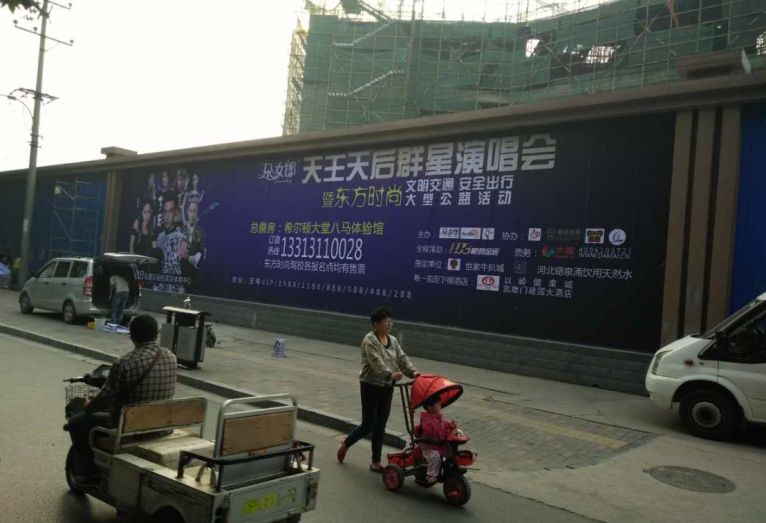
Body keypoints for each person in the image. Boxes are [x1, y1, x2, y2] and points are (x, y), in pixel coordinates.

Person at [67, 314, 177, 485]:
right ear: (156, 333)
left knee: (77, 422)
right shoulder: (171, 357)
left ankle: (89, 472)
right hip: (162, 426)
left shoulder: (125, 363)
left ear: (132, 336)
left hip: (130, 427)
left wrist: (88, 406)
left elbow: (103, 399)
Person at [337, 306, 420, 472]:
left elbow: (402, 358)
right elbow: (376, 362)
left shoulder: (393, 340)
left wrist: (413, 372)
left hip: (387, 388)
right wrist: (390, 374)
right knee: (369, 424)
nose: (389, 323)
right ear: (376, 324)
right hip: (370, 386)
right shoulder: (370, 340)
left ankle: (375, 462)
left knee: (381, 425)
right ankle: (346, 444)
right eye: (386, 321)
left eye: (390, 320)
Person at [419, 396, 459, 484]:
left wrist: (451, 425)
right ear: (430, 408)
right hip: (429, 444)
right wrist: (439, 422)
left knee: (451, 453)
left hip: (440, 443)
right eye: (438, 404)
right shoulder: (426, 418)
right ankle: (431, 475)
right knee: (435, 456)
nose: (440, 406)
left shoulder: (439, 415)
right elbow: (428, 431)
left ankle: (447, 469)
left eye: (440, 404)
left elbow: (445, 424)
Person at [155, 192, 188, 292]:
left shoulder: (181, 237)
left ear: (175, 212)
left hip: (176, 291)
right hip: (160, 289)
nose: (167, 216)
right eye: (165, 212)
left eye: (170, 211)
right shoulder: (160, 236)